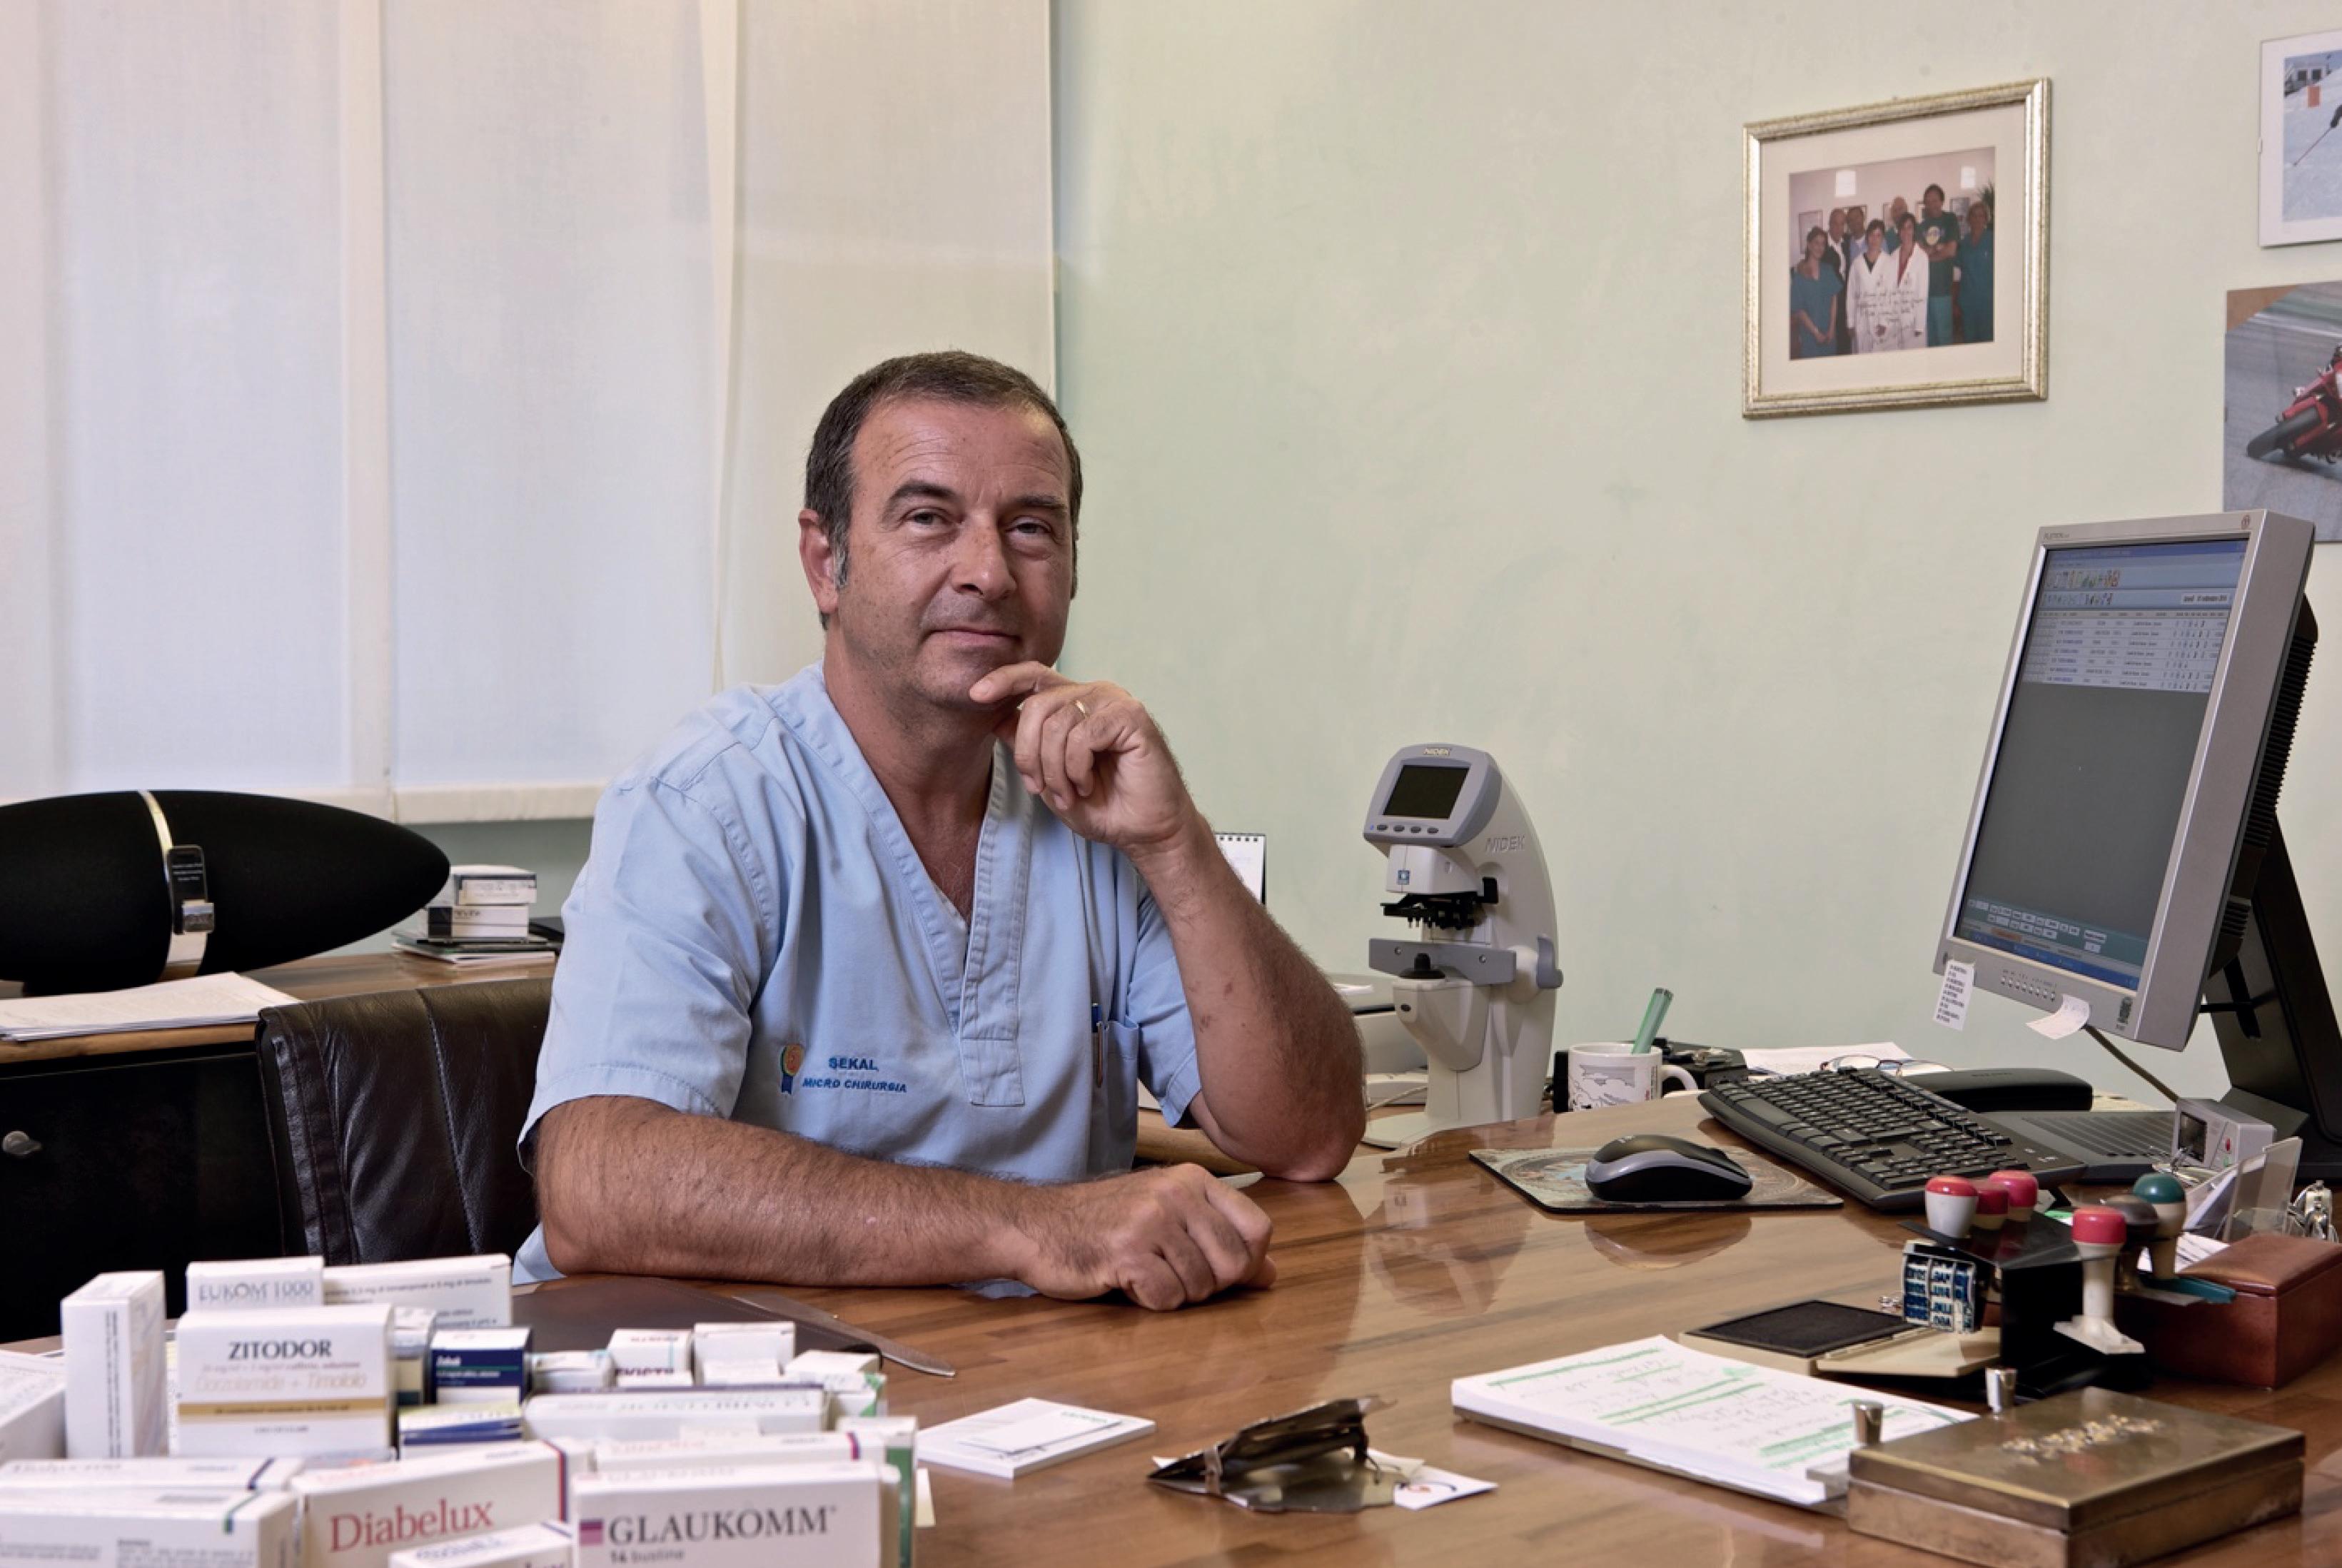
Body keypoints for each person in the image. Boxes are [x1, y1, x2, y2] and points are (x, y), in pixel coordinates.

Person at [519, 350, 1366, 1310]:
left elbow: (1307, 1136)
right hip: (748, 1376)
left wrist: (1176, 846)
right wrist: (1032, 1227)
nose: (989, 573)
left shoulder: (1093, 805)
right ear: (825, 562)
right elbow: (600, 1185)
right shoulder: (705, 801)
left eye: (1031, 528)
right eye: (928, 518)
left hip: (1028, 1372)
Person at [1914, 185, 1959, 347]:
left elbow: (1951, 251)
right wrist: (1937, 248)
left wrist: (1929, 254)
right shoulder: (1921, 226)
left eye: (1935, 200)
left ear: (1942, 201)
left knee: (1944, 339)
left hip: (1943, 291)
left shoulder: (1950, 220)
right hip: (1924, 293)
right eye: (1928, 201)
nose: (1931, 204)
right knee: (1929, 340)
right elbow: (1919, 255)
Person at [1880, 213, 1929, 351]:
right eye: (1903, 228)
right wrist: (1884, 320)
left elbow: (1922, 292)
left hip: (1913, 319)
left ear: (1914, 230)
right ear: (1899, 231)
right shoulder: (1893, 256)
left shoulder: (1922, 257)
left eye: (1909, 227)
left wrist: (1919, 325)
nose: (1906, 232)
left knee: (1914, 359)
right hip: (1895, 318)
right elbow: (1888, 291)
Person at [1790, 227, 1839, 358]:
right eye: (1816, 243)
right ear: (1809, 245)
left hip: (1829, 335)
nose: (1820, 247)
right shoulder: (1799, 276)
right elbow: (1799, 310)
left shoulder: (1828, 271)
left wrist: (1832, 328)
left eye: (1823, 244)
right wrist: (1815, 332)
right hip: (1810, 337)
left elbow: (1834, 300)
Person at [1846, 218, 1889, 352]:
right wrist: (1851, 322)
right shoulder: (1857, 263)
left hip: (1881, 319)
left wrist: (1885, 321)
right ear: (1867, 237)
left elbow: (1892, 294)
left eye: (1878, 235)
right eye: (1872, 235)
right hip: (1861, 319)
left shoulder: (1889, 262)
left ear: (1883, 239)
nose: (1875, 239)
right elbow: (1851, 295)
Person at [1957, 198, 1994, 344]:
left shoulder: (1993, 239)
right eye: (1974, 215)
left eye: (1981, 215)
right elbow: (1958, 263)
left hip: (1987, 301)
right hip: (1968, 300)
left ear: (1986, 219)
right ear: (1969, 219)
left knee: (1987, 341)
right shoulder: (1964, 242)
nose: (1977, 219)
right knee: (1969, 341)